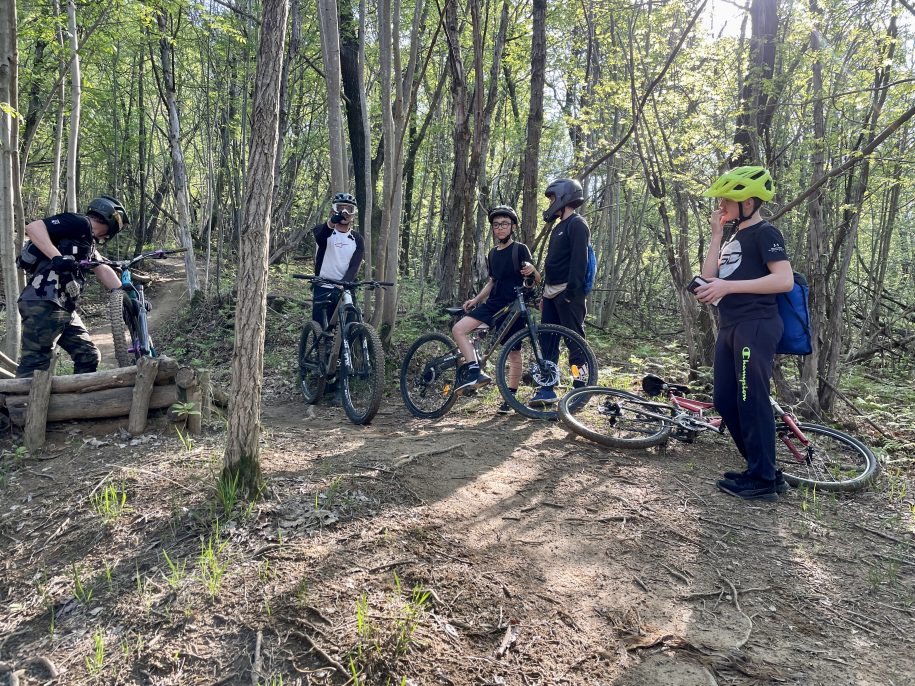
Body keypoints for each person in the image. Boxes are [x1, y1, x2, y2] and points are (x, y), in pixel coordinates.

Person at [697, 166, 794, 502]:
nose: (722, 204)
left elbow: (784, 280)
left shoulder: (767, 233)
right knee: (725, 398)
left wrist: (730, 286)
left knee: (751, 398)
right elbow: (709, 278)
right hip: (730, 323)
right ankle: (761, 467)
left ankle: (764, 478)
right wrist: (715, 236)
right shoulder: (735, 236)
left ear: (748, 202)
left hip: (756, 323)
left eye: (728, 199)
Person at [16, 196, 128, 378]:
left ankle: (75, 400)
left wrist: (127, 294)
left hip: (63, 308)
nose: (107, 237)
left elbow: (102, 269)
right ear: (110, 222)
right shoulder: (80, 222)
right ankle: (20, 406)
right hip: (43, 302)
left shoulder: (86, 243)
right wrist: (56, 257)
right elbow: (34, 227)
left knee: (88, 356)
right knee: (35, 364)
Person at [452, 205, 540, 413]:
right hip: (493, 304)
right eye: (496, 225)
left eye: (505, 224)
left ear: (513, 227)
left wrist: (533, 271)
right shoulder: (492, 254)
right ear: (493, 228)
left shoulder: (520, 249)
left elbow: (535, 280)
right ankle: (474, 370)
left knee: (513, 354)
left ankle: (510, 397)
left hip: (514, 307)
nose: (500, 228)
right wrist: (476, 299)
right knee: (459, 329)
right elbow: (492, 282)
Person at [530, 178, 590, 407]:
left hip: (568, 294)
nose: (551, 203)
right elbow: (552, 264)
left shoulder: (577, 224)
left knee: (574, 342)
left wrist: (571, 293)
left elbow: (579, 262)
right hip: (550, 294)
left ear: (565, 196)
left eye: (553, 198)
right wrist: (545, 295)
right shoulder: (558, 228)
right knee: (548, 342)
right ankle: (547, 388)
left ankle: (580, 389)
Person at [311, 192, 365, 330]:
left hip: (345, 287)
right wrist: (332, 222)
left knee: (350, 326)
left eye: (349, 209)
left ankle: (345, 351)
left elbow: (355, 265)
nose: (345, 212)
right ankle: (321, 350)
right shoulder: (322, 230)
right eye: (341, 208)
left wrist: (342, 285)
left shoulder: (357, 238)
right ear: (333, 209)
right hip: (323, 286)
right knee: (322, 328)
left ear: (353, 214)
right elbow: (321, 236)